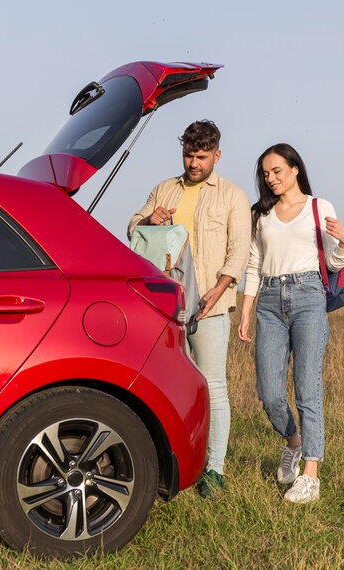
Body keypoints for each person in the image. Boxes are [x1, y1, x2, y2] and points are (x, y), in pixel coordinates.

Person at [128, 120, 251, 498]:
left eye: (201, 156)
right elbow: (132, 229)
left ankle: (214, 470)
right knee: (167, 386)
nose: (193, 163)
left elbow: (240, 249)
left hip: (211, 306)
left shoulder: (233, 195)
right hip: (165, 306)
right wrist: (149, 219)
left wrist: (219, 288)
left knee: (213, 386)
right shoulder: (164, 188)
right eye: (188, 155)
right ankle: (173, 462)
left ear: (217, 155)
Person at [238, 143, 344, 504]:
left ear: (295, 169)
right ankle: (293, 443)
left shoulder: (320, 207)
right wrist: (245, 310)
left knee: (307, 388)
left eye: (277, 171)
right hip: (269, 301)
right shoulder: (260, 214)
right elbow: (254, 265)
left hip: (308, 296)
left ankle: (311, 477)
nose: (271, 179)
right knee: (269, 392)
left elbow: (332, 263)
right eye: (266, 174)